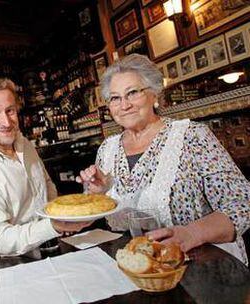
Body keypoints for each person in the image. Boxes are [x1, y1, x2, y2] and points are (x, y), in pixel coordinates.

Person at [76, 54, 250, 265]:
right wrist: (97, 194)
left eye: (132, 93)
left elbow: (242, 203)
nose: (124, 105)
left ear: (154, 94)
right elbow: (93, 215)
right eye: (115, 98)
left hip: (200, 266)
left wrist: (191, 234)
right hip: (139, 268)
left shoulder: (191, 136)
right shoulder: (107, 148)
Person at [0, 77, 91, 257]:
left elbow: (47, 186)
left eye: (10, 111)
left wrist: (63, 218)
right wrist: (52, 226)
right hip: (12, 265)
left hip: (52, 247)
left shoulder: (24, 143)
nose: (6, 121)